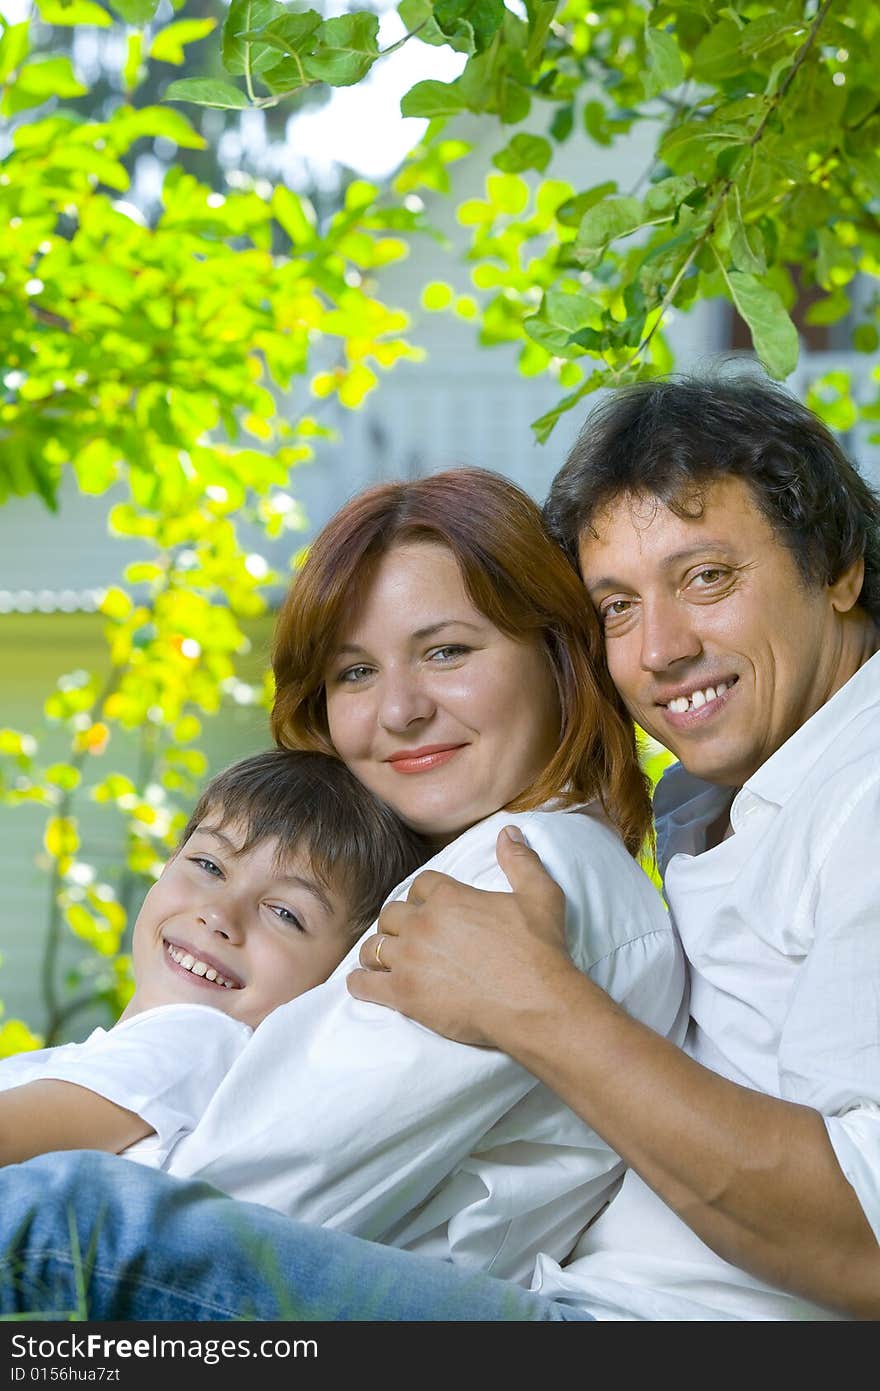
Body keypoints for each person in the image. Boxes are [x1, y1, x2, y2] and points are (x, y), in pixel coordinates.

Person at [0, 467, 685, 1320]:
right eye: (355, 671)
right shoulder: (465, 867)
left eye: (447, 651)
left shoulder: (515, 873)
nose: (398, 709)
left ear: (558, 652)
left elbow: (209, 1216)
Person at [346, 372, 880, 1320]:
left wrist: (534, 1002)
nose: (659, 650)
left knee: (68, 1216)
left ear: (837, 564)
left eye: (706, 577)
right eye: (617, 607)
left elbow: (868, 1243)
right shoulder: (716, 792)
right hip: (568, 1295)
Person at [0, 748, 428, 1170]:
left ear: (338, 973)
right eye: (209, 866)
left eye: (285, 914)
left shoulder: (200, 1040)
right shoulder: (78, 1060)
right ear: (169, 863)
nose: (220, 916)